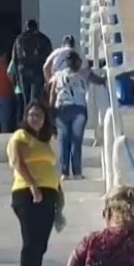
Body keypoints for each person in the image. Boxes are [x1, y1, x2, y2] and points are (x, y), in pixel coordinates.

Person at [6, 101, 62, 266]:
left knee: (41, 244)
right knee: (31, 243)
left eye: (39, 115)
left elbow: (50, 167)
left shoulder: (43, 140)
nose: (35, 118)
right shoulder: (20, 136)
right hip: (28, 193)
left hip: (48, 194)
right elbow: (17, 162)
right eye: (32, 115)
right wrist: (33, 186)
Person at [48, 51, 94, 180]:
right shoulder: (83, 75)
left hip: (62, 108)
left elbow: (52, 94)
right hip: (79, 108)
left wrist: (51, 109)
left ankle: (64, 172)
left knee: (64, 140)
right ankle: (77, 172)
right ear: (78, 62)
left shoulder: (57, 75)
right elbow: (97, 79)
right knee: (76, 141)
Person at [9, 21, 54, 110]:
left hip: (23, 71)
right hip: (37, 71)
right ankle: (34, 118)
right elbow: (49, 58)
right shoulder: (44, 39)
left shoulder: (19, 39)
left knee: (26, 100)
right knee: (35, 99)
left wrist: (17, 78)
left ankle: (27, 118)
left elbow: (14, 59)